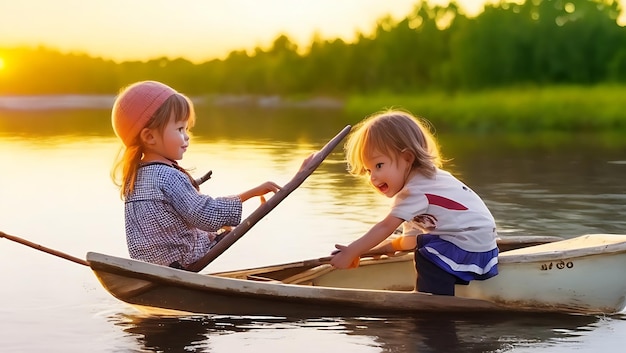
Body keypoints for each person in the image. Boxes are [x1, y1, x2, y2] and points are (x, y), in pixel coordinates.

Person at [110, 80, 281, 269]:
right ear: (149, 137)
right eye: (180, 129)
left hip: (149, 264)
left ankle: (220, 232)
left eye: (187, 129)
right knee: (223, 229)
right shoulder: (168, 176)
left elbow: (172, 221)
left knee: (219, 228)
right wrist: (252, 193)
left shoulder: (134, 177)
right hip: (179, 261)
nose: (187, 137)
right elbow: (204, 214)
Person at [330, 110, 498, 296]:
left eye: (379, 166)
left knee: (426, 256)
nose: (373, 177)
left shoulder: (415, 191)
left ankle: (433, 301)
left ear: (407, 158)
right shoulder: (425, 183)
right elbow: (411, 241)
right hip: (481, 244)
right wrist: (382, 249)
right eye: (368, 170)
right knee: (424, 246)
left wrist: (352, 251)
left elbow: (385, 227)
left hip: (467, 245)